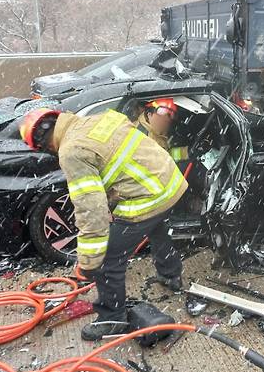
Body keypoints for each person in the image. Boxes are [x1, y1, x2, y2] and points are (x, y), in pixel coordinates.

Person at [19, 107, 186, 340]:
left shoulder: (71, 151)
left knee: (109, 258)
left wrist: (89, 261)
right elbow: (117, 163)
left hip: (150, 194)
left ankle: (112, 318)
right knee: (156, 228)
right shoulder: (100, 119)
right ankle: (171, 275)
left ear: (44, 145)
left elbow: (91, 212)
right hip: (170, 182)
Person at [134, 98, 189, 163]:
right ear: (149, 114)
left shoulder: (150, 130)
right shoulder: (145, 137)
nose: (166, 120)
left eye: (170, 116)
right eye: (162, 115)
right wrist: (186, 152)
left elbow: (165, 154)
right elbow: (163, 159)